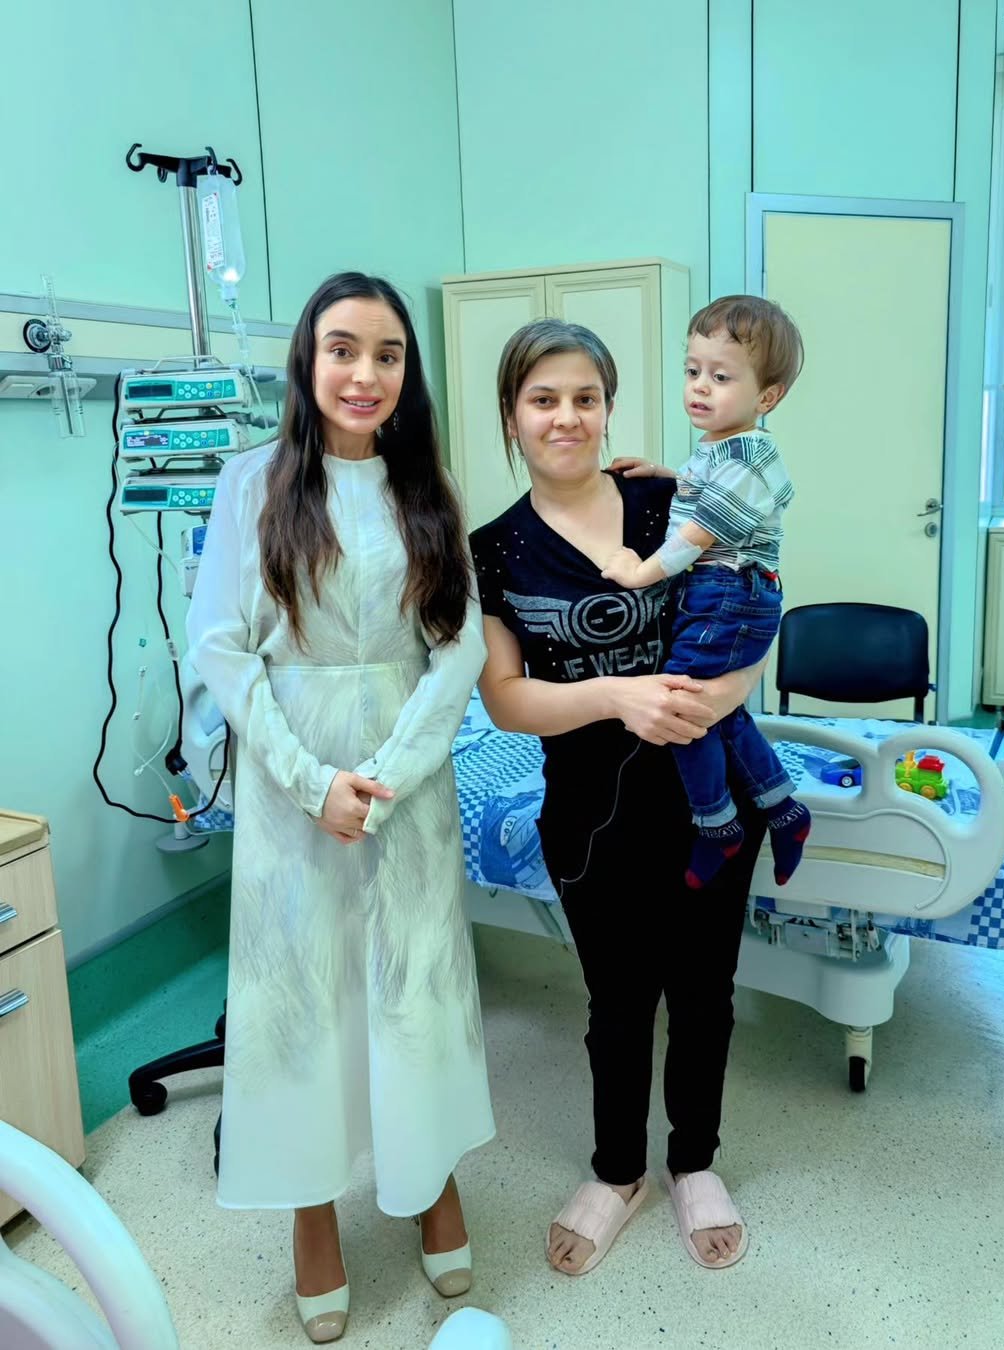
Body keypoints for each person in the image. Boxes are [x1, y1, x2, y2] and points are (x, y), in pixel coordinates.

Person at [187, 272, 494, 1343]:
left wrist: (391, 777)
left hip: (409, 783)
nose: (365, 374)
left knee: (417, 989)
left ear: (409, 372)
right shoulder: (251, 485)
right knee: (301, 1000)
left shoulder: (430, 490)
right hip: (292, 781)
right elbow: (221, 649)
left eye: (388, 354)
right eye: (343, 349)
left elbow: (459, 648)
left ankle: (431, 1181)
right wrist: (312, 782)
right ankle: (311, 1212)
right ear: (307, 362)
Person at [469, 318, 764, 1277]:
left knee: (706, 993)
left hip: (710, 801)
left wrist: (721, 695)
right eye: (542, 400)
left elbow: (757, 609)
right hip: (591, 817)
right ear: (511, 416)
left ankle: (695, 1162)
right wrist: (615, 696)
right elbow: (505, 698)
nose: (566, 418)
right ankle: (617, 1171)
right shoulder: (495, 550)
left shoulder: (671, 502)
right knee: (618, 1001)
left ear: (608, 409)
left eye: (584, 399)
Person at [601, 295, 811, 890]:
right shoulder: (727, 447)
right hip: (730, 592)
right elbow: (705, 490)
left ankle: (717, 825)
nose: (700, 386)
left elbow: (699, 535)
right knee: (721, 713)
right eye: (693, 370)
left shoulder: (751, 456)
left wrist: (640, 572)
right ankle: (783, 809)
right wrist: (666, 474)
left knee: (679, 707)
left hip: (728, 592)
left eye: (721, 377)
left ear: (767, 398)